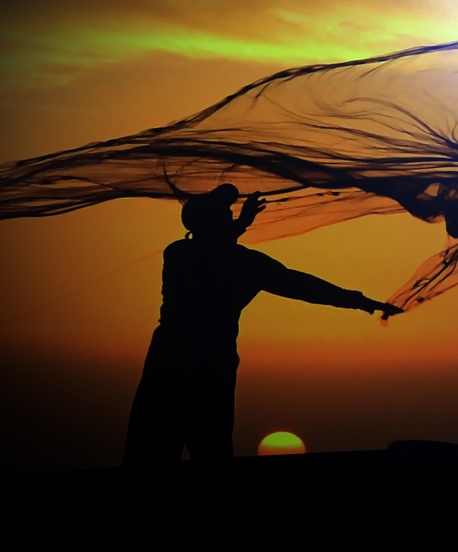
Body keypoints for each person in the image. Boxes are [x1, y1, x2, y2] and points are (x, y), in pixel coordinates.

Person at [123, 183, 401, 466]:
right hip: (208, 362)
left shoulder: (181, 253)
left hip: (171, 358)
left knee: (162, 447)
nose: (230, 217)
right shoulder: (226, 260)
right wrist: (362, 302)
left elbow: (301, 285)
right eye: (224, 213)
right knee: (202, 447)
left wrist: (361, 301)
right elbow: (300, 285)